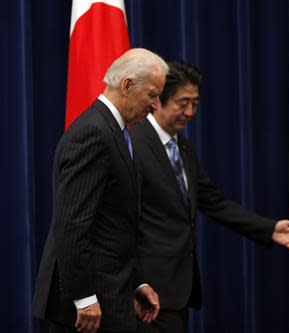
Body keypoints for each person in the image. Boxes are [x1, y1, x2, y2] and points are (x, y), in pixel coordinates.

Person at [130, 61, 289, 333]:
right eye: (183, 103)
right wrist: (135, 283)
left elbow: (213, 201)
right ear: (158, 102)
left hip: (178, 290)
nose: (190, 112)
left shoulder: (184, 148)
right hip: (145, 293)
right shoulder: (133, 144)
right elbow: (120, 222)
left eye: (195, 103)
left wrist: (269, 228)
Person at [32, 48, 168, 333]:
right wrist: (83, 298)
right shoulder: (93, 133)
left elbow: (114, 224)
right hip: (91, 306)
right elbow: (72, 223)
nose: (157, 105)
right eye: (153, 95)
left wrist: (137, 282)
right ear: (127, 85)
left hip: (114, 292)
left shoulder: (116, 131)